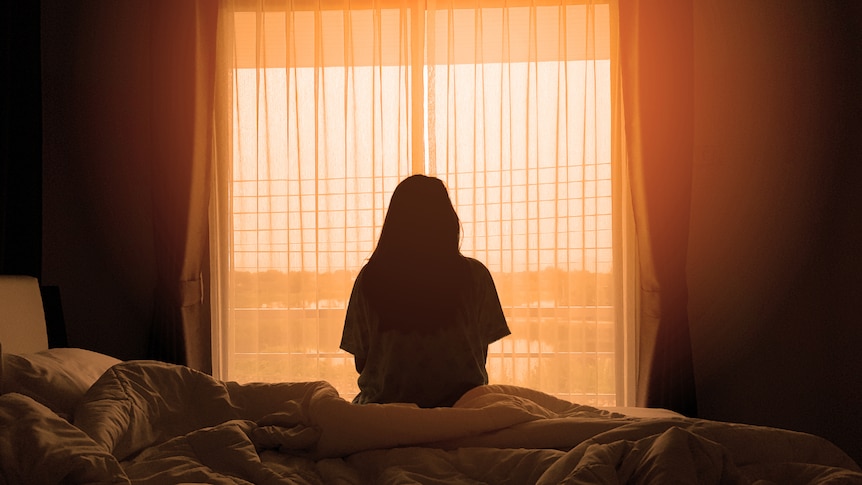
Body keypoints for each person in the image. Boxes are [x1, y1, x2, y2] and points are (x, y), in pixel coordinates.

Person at [340, 174, 510, 408]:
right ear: (447, 220)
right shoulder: (475, 276)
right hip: (461, 409)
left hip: (384, 410)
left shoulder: (370, 278)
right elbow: (479, 354)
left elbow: (362, 360)